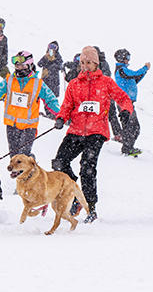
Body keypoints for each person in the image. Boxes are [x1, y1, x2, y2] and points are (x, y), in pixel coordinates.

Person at [52, 46, 134, 223]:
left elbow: (124, 98)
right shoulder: (74, 84)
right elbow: (67, 105)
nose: (85, 66)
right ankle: (74, 191)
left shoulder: (105, 82)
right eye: (82, 62)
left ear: (96, 63)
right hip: (75, 130)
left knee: (87, 168)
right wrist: (60, 118)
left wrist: (126, 111)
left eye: (88, 62)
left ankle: (91, 207)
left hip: (96, 131)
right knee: (59, 162)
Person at [0, 50, 60, 157]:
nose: (18, 67)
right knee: (14, 156)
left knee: (23, 157)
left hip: (28, 127)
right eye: (16, 65)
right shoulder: (10, 80)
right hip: (12, 125)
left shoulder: (38, 84)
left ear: (29, 65)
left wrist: (60, 115)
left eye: (21, 65)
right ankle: (25, 165)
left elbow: (51, 100)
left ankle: (29, 161)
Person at [113, 48, 150, 156]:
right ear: (122, 58)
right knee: (133, 126)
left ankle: (128, 147)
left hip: (128, 102)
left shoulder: (124, 71)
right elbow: (134, 74)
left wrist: (145, 71)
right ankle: (127, 148)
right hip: (124, 102)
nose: (128, 60)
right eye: (127, 58)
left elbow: (136, 78)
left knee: (131, 126)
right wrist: (145, 68)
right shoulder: (122, 70)